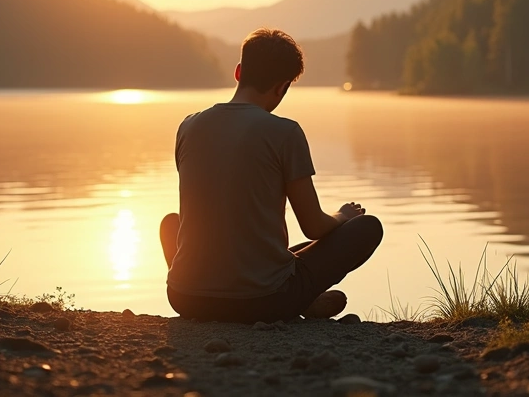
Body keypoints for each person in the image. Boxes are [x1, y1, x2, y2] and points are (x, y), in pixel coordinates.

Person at [160, 28, 383, 322]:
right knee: (367, 228)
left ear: (238, 72)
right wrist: (343, 216)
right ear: (282, 87)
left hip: (186, 298)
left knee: (171, 223)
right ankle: (300, 301)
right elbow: (314, 227)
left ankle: (292, 300)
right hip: (263, 301)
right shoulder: (285, 132)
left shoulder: (188, 126)